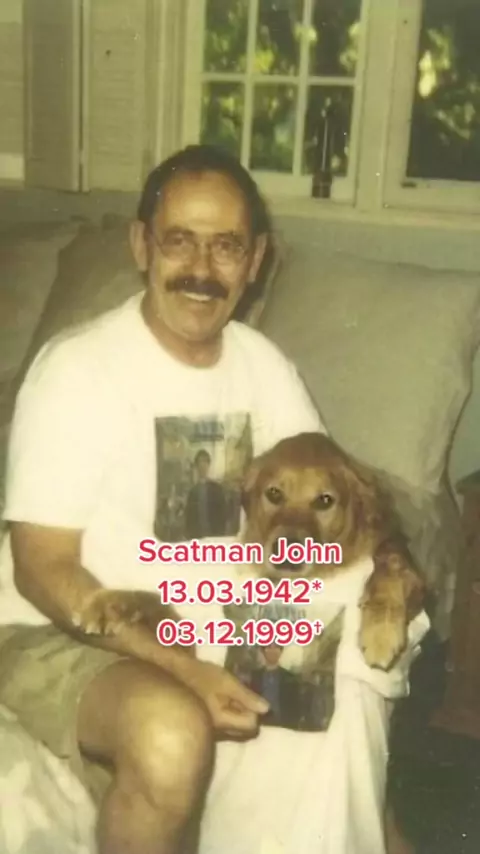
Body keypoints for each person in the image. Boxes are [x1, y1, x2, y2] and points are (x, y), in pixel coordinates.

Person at [0, 144, 327, 854]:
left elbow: (324, 510)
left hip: (209, 624)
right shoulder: (78, 371)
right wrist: (183, 667)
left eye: (226, 246)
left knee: (340, 718)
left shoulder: (267, 369)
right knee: (171, 730)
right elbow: (41, 567)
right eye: (179, 240)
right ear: (142, 245)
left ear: (255, 259)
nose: (202, 269)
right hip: (54, 629)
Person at [185, 449, 227, 538]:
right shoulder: (192, 492)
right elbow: (189, 519)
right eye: (200, 462)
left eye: (205, 462)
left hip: (215, 536)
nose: (203, 466)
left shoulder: (217, 489)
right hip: (197, 537)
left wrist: (221, 534)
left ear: (208, 465)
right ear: (196, 466)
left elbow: (223, 515)